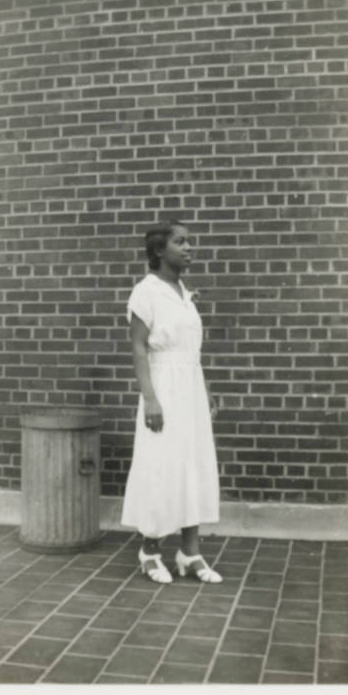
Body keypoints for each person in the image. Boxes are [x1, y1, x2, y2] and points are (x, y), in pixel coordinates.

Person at [121, 220, 223, 584]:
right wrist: (150, 399)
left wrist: (205, 391)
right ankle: (149, 550)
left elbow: (191, 352)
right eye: (180, 242)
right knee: (162, 464)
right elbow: (138, 349)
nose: (189, 247)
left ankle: (190, 552)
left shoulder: (183, 292)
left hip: (190, 389)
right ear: (159, 251)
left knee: (192, 463)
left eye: (190, 241)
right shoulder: (146, 292)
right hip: (162, 389)